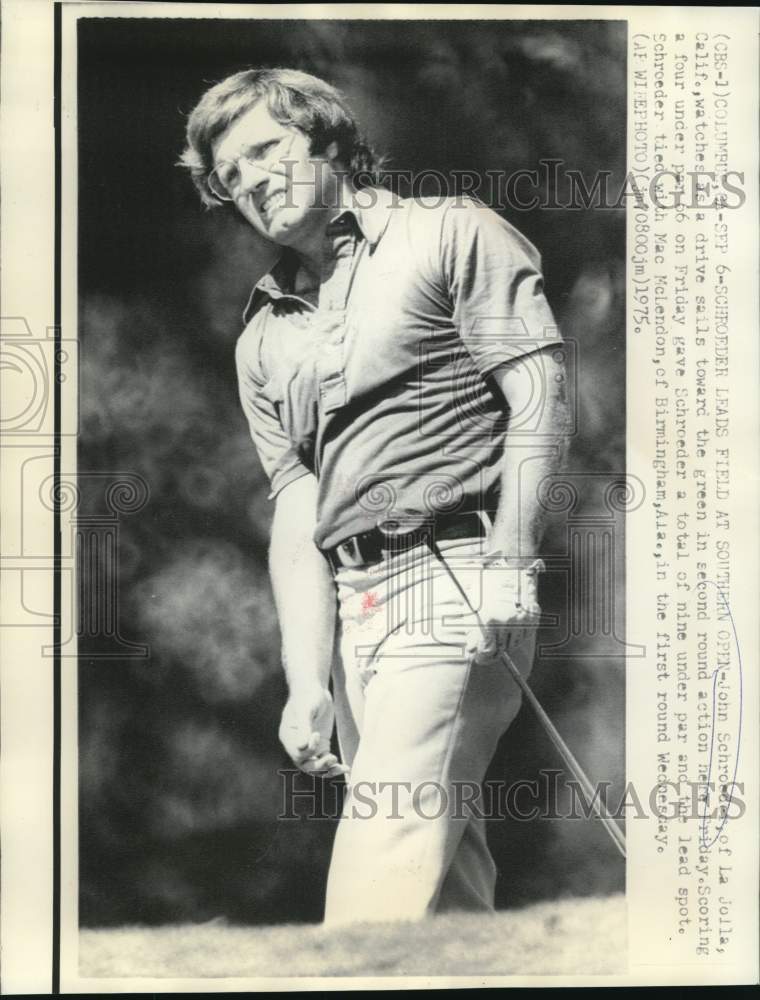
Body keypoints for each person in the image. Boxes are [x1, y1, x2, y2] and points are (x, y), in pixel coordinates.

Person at [181, 67, 568, 926]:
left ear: (326, 137)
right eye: (229, 175)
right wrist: (304, 679)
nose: (250, 182)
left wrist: (511, 558)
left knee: (382, 854)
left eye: (264, 151)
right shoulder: (262, 335)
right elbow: (296, 513)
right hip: (356, 614)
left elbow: (539, 395)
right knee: (443, 880)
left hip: (459, 576)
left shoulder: (452, 232)